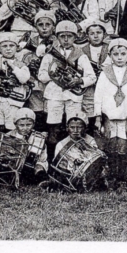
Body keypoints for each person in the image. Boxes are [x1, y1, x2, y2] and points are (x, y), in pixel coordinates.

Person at [38, 20, 96, 155]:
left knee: (74, 126)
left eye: (69, 36)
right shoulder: (49, 54)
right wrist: (54, 75)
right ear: (57, 37)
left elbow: (92, 77)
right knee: (53, 127)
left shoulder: (80, 55)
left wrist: (78, 80)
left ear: (75, 37)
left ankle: (73, 157)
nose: (65, 39)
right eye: (62, 36)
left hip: (73, 96)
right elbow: (41, 75)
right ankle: (52, 158)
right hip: (54, 94)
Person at [93, 38, 127, 187]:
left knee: (125, 145)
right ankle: (111, 176)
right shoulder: (104, 73)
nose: (119, 57)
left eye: (123, 54)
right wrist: (98, 117)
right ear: (110, 55)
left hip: (125, 117)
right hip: (109, 117)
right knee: (110, 144)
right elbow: (98, 96)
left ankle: (124, 176)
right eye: (115, 54)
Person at [43, 111, 103, 191]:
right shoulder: (61, 144)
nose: (75, 130)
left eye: (79, 127)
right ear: (67, 128)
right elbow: (60, 166)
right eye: (72, 127)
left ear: (85, 128)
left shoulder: (91, 141)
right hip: (70, 174)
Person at [0, 33, 32, 131]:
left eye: (11, 46)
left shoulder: (20, 64)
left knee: (11, 128)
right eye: (4, 46)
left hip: (13, 101)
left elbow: (24, 79)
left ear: (17, 48)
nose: (8, 49)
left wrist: (13, 66)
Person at [5, 107, 48, 179]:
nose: (25, 128)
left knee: (40, 166)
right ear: (15, 124)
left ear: (33, 124)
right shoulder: (9, 136)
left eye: (28, 125)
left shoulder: (38, 137)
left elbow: (42, 158)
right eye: (21, 125)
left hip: (31, 165)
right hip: (13, 164)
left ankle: (40, 176)